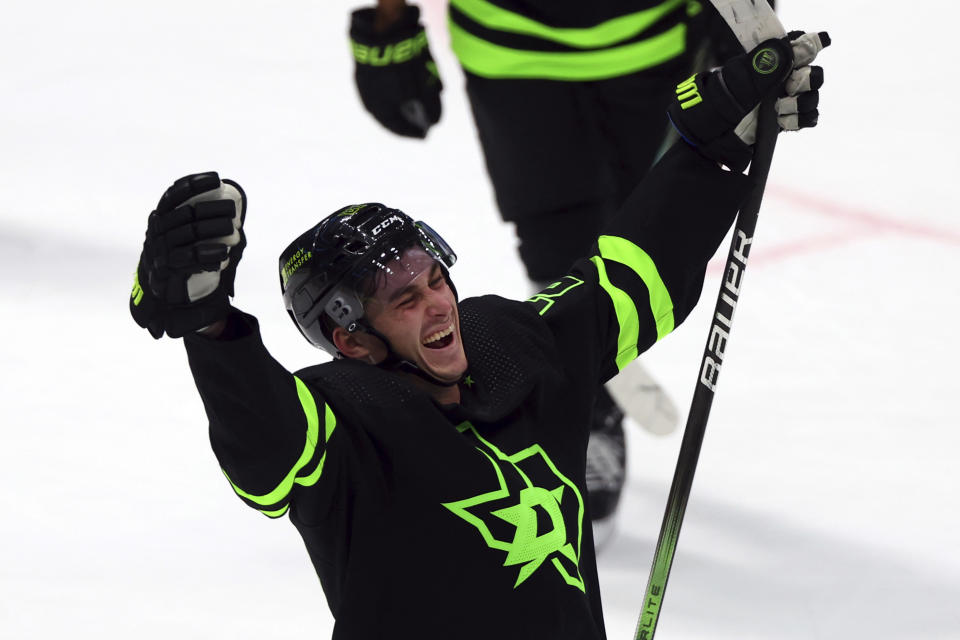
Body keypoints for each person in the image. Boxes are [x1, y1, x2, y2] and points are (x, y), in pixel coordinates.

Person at [130, 33, 827, 638]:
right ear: (352, 342)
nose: (438, 306)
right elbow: (267, 452)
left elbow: (631, 279)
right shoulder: (343, 423)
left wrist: (711, 150)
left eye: (434, 280)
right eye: (404, 299)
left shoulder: (510, 346)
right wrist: (210, 326)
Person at [346, 0, 761, 539]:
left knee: (646, 222)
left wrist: (744, 22)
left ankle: (589, 381)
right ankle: (592, 407)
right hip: (512, 53)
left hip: (651, 44)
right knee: (557, 250)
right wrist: (390, 20)